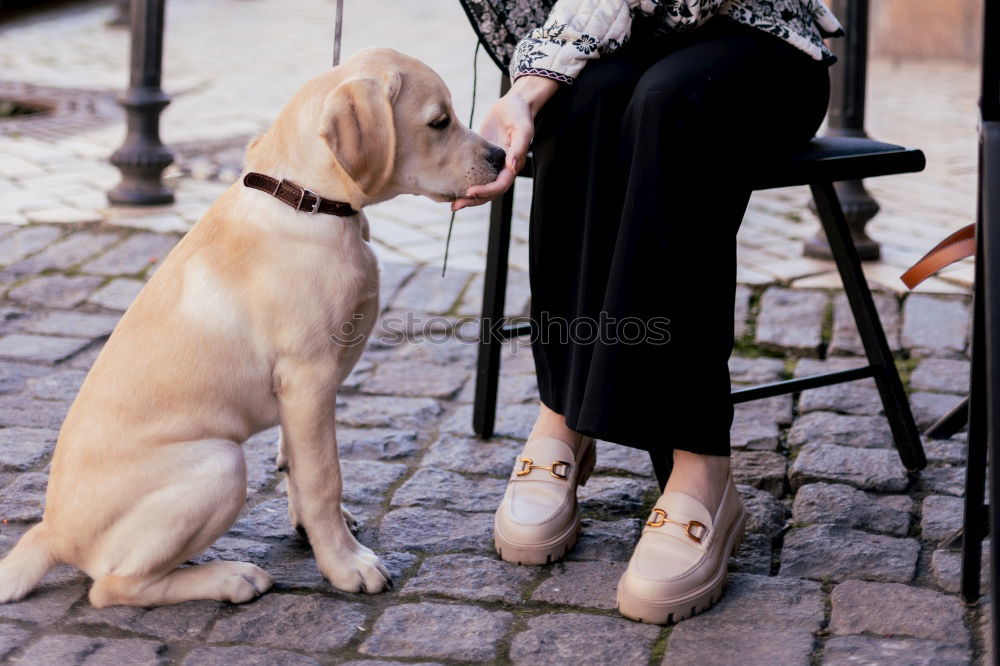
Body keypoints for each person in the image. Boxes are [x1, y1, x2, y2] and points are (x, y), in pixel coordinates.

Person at [452, 0, 842, 624]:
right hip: (613, 41)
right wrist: (533, 90)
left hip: (760, 49)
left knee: (670, 98)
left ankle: (701, 467)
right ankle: (563, 413)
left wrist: (530, 83)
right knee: (585, 97)